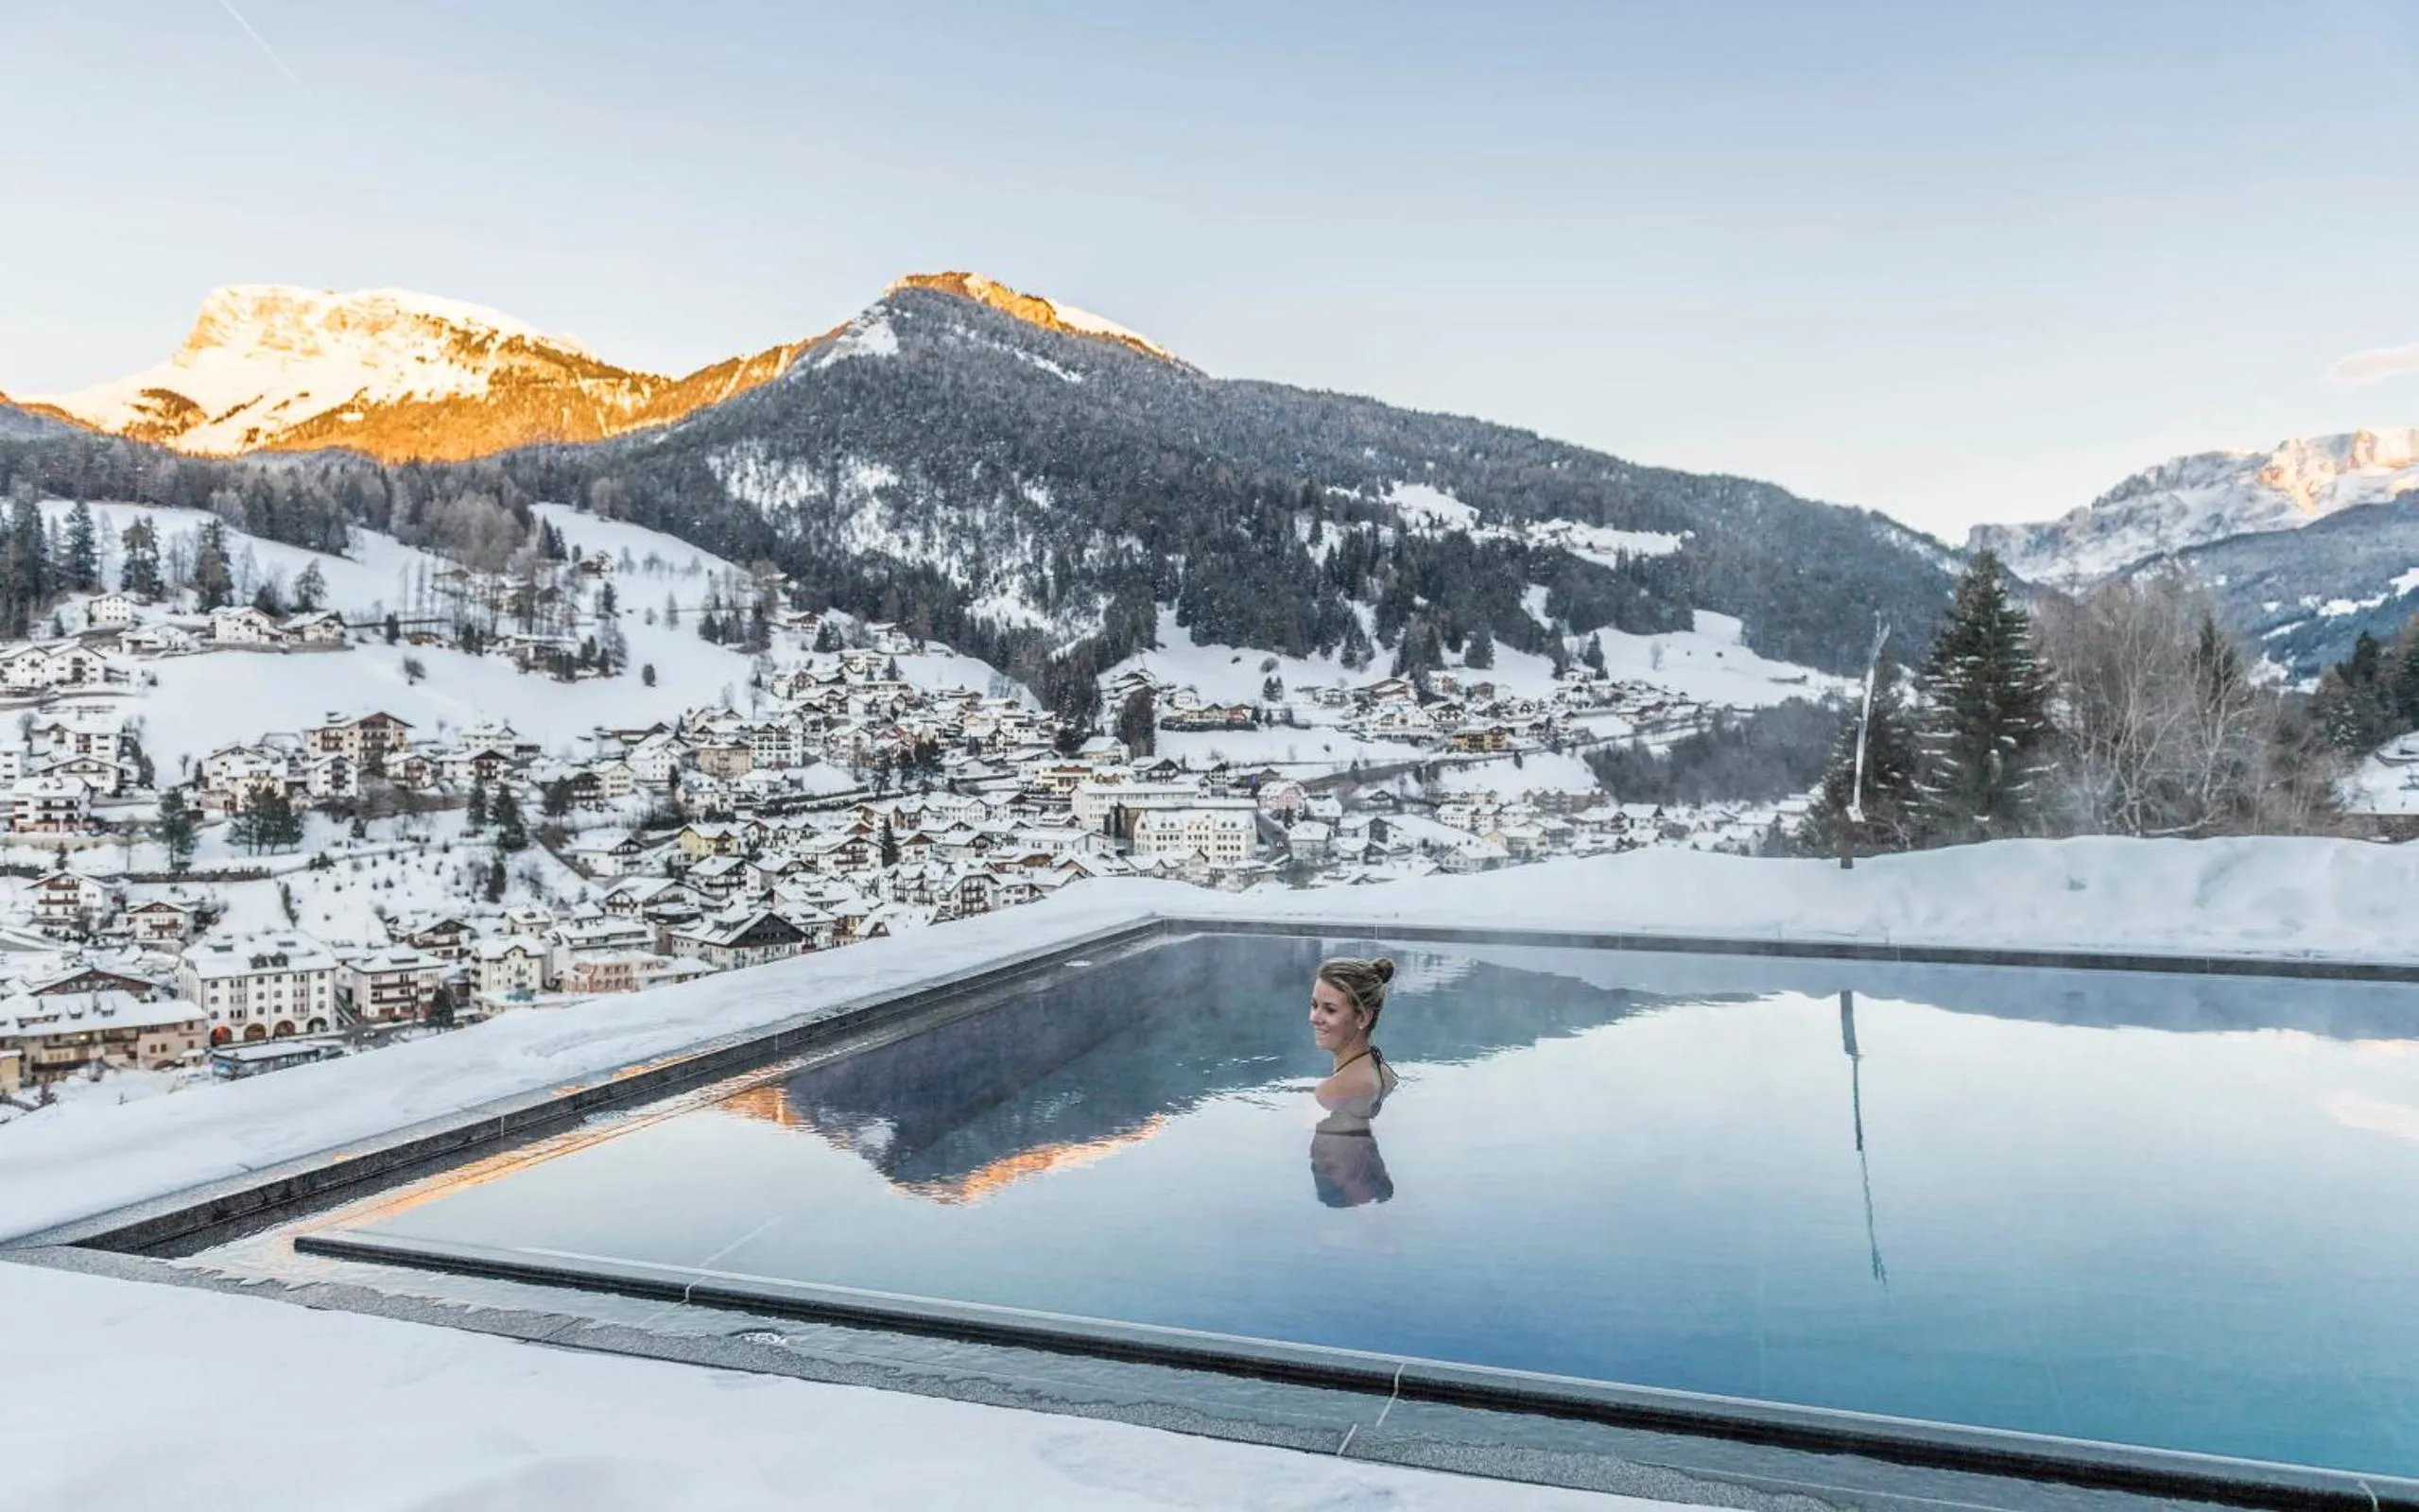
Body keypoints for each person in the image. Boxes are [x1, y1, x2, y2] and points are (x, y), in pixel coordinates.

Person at [1308, 955, 1401, 1208]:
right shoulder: (1383, 1072)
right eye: (1314, 1005)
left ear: (1362, 1018)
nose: (1314, 1018)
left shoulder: (1332, 1092)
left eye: (1330, 1009)